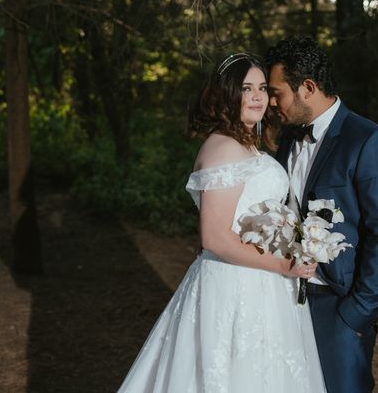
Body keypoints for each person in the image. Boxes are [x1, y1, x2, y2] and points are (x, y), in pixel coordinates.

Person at [116, 53, 326, 393]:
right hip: (236, 285)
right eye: (246, 88)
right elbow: (214, 237)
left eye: (261, 88)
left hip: (260, 280)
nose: (258, 97)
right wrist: (282, 265)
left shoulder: (246, 143)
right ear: (228, 93)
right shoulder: (223, 147)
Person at [266, 37, 378, 393]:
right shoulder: (286, 139)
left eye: (276, 92)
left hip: (339, 305)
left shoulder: (368, 141)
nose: (270, 101)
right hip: (282, 299)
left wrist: (358, 311)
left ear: (307, 88)